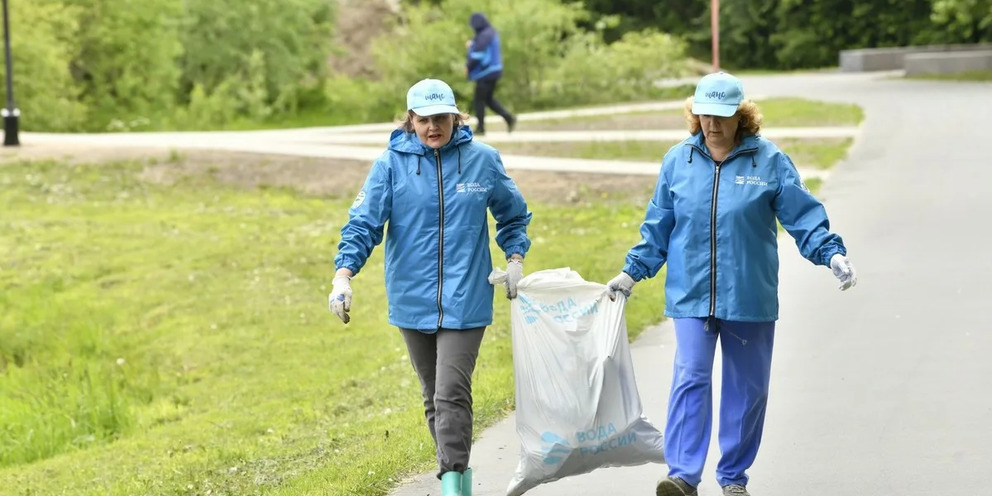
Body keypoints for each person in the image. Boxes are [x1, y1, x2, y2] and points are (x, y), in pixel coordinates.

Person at [605, 72, 858, 496]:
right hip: (691, 295)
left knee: (748, 389)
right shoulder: (678, 161)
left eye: (722, 116)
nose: (712, 124)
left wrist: (830, 252)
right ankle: (683, 476)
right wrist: (633, 272)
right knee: (690, 378)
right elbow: (658, 228)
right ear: (695, 113)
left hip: (749, 295)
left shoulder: (770, 161)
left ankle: (733, 478)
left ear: (742, 116)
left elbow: (804, 218)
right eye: (704, 114)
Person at [328, 78, 532, 496]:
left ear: (457, 117)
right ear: (411, 120)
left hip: (467, 294)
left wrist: (515, 260)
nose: (433, 127)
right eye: (424, 120)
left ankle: (453, 484)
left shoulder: (483, 160)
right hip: (411, 296)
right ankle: (455, 475)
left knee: (450, 392)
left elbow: (513, 215)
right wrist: (343, 275)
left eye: (441, 118)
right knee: (432, 395)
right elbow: (364, 224)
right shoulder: (390, 165)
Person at [465, 12, 516, 136]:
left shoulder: (484, 35)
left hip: (486, 73)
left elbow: (477, 55)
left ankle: (481, 128)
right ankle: (509, 118)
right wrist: (472, 44)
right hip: (494, 71)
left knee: (479, 100)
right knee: (488, 99)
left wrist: (468, 67)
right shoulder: (490, 32)